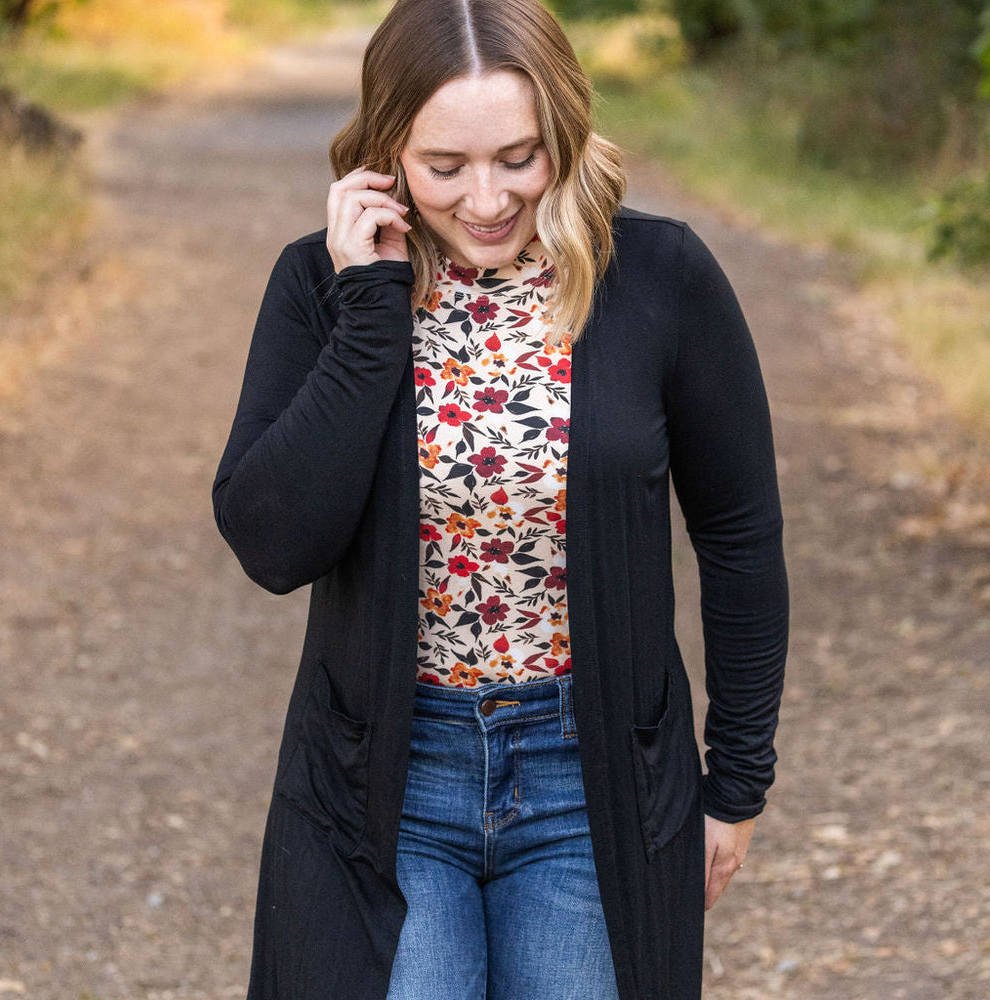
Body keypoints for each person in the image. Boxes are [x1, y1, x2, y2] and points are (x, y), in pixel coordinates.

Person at [212, 0, 788, 997]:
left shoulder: (658, 276)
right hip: (383, 783)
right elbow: (272, 544)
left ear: (562, 130)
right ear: (386, 150)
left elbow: (738, 537)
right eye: (445, 167)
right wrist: (366, 317)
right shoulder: (322, 285)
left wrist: (732, 783)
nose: (486, 198)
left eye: (518, 157)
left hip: (593, 785)